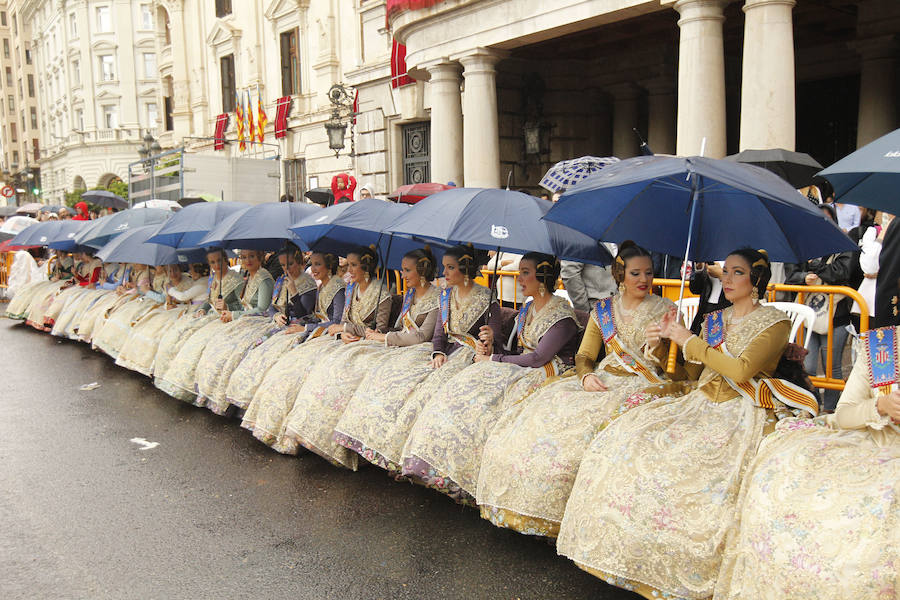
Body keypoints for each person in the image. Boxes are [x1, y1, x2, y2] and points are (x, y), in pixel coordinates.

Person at [557, 248, 819, 600]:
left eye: (736, 273)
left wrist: (687, 340)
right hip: (698, 402)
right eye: (724, 272)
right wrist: (662, 347)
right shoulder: (714, 320)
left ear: (756, 279)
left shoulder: (774, 322)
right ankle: (629, 550)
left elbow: (741, 371)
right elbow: (689, 375)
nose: (725, 279)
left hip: (742, 408)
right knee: (629, 443)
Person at [476, 242, 682, 537]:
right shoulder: (605, 310)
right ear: (620, 274)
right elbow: (585, 357)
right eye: (635, 272)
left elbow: (677, 369)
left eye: (648, 273)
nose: (644, 279)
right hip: (602, 379)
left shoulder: (667, 311)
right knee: (544, 420)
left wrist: (660, 347)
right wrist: (585, 377)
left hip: (647, 382)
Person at [714, 326, 900, 600]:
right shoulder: (883, 344)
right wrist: (880, 406)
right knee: (783, 472)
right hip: (872, 444)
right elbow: (846, 413)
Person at [401, 253, 578, 503]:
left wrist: (494, 359)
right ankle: (437, 463)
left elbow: (539, 358)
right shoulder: (528, 307)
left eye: (525, 272)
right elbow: (516, 352)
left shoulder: (562, 314)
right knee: (466, 392)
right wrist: (491, 347)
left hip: (547, 373)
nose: (519, 277)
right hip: (520, 369)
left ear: (543, 277)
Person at [278, 246, 394, 464]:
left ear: (366, 267)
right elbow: (341, 322)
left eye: (352, 265)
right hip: (343, 339)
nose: (347, 270)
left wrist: (349, 331)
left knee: (336, 374)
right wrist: (343, 331)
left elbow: (380, 331)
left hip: (369, 346)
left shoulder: (381, 292)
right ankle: (302, 430)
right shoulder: (350, 289)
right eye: (347, 265)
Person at [334, 248, 443, 469]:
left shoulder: (438, 298)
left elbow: (423, 335)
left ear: (422, 272)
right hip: (399, 345)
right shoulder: (410, 294)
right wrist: (382, 337)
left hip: (420, 349)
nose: (401, 275)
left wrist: (385, 337)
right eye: (402, 270)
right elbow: (400, 327)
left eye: (406, 270)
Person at [238, 252, 348, 452]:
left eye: (318, 264)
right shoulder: (322, 284)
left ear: (329, 265)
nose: (313, 269)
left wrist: (305, 327)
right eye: (312, 264)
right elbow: (303, 314)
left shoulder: (336, 286)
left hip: (326, 336)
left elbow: (337, 321)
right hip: (313, 331)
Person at [196, 246, 316, 415]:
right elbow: (271, 307)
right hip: (275, 323)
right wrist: (275, 316)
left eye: (290, 264)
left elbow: (304, 313)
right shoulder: (281, 280)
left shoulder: (307, 282)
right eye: (283, 265)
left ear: (300, 262)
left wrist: (294, 293)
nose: (287, 269)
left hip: (295, 327)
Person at [785, 203, 854, 412]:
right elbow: (791, 275)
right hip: (808, 315)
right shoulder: (801, 245)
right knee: (808, 365)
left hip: (837, 317)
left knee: (833, 367)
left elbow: (841, 272)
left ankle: (830, 410)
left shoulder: (845, 244)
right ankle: (810, 406)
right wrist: (805, 277)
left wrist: (815, 265)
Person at [154, 248, 244, 402]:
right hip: (211, 317)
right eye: (212, 262)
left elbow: (241, 307)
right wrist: (203, 309)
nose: (216, 265)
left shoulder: (237, 279)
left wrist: (227, 309)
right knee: (182, 334)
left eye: (219, 261)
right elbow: (209, 301)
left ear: (225, 260)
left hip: (228, 320)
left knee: (200, 345)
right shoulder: (214, 279)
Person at [116, 263, 209, 376]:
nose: (173, 274)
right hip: (175, 308)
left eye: (176, 270)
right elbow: (164, 297)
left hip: (186, 309)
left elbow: (183, 297)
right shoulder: (170, 282)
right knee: (149, 322)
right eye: (170, 271)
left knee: (163, 326)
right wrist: (168, 301)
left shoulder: (189, 282)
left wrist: (168, 292)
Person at [560, 248, 618, 313]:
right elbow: (569, 272)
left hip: (618, 306)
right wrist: (584, 311)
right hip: (594, 308)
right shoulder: (579, 239)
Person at [689, 260, 731, 333]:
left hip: (728, 312)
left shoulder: (740, 258)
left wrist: (721, 275)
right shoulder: (709, 257)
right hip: (705, 310)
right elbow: (695, 289)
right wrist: (699, 269)